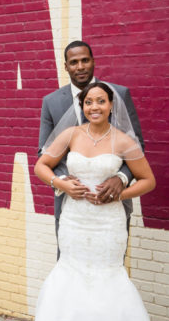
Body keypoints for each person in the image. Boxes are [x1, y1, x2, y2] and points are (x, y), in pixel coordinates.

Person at [16, 82, 169, 321]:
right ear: (81, 107)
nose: (93, 107)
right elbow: (41, 165)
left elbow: (148, 180)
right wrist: (62, 183)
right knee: (69, 287)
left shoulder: (123, 141)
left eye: (100, 101)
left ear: (112, 105)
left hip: (107, 226)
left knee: (107, 287)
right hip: (74, 222)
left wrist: (120, 194)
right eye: (88, 102)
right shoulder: (70, 135)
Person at [38, 41, 143, 253]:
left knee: (110, 268)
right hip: (71, 206)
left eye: (85, 60)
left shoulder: (119, 95)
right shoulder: (51, 102)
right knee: (68, 267)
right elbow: (44, 150)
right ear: (66, 66)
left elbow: (137, 144)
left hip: (110, 207)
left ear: (93, 62)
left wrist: (122, 178)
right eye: (74, 62)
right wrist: (62, 182)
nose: (80, 66)